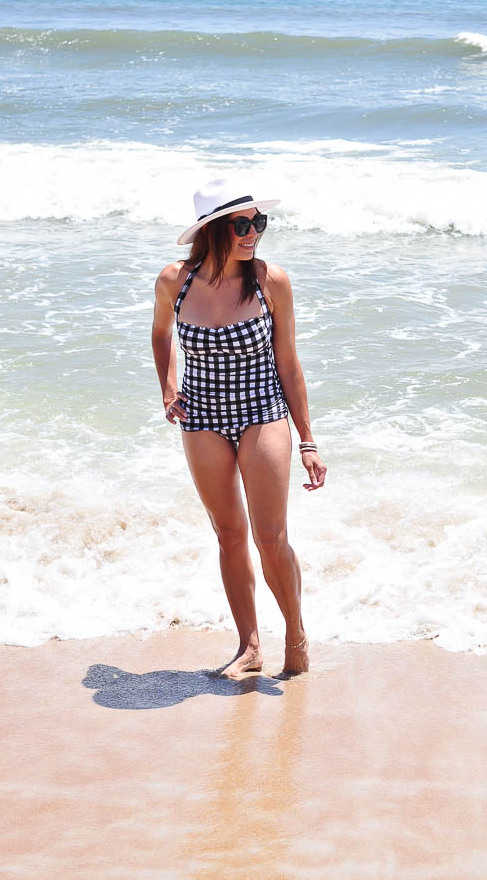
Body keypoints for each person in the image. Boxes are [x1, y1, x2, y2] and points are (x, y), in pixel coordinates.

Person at [152, 178, 326, 677]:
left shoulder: (272, 281)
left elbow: (289, 365)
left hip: (263, 413)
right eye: (243, 225)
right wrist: (168, 388)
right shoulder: (174, 281)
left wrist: (308, 440)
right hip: (202, 417)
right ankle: (249, 646)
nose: (254, 233)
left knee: (270, 537)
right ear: (214, 230)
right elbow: (161, 335)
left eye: (259, 222)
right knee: (229, 534)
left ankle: (295, 632)